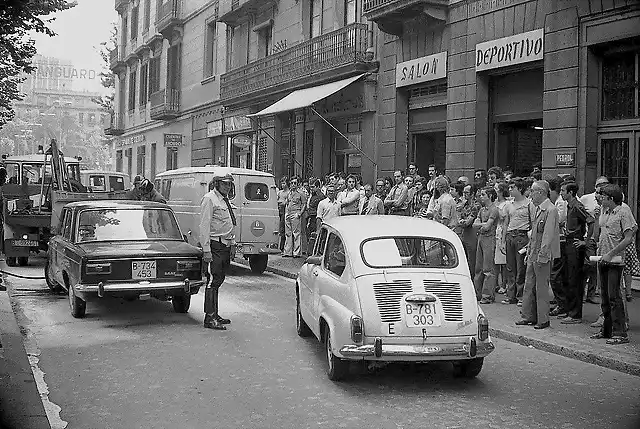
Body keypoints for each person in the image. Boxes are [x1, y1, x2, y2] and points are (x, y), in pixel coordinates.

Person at [590, 184, 634, 345]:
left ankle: (620, 332)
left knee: (615, 297)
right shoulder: (604, 211)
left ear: (611, 198)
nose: (600, 198)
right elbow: (599, 232)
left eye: (604, 196)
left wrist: (612, 253)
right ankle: (606, 330)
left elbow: (629, 236)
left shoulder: (623, 212)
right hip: (602, 257)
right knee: (605, 296)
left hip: (615, 260)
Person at [516, 180, 560, 330]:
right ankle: (528, 316)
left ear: (540, 192)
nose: (530, 195)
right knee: (529, 285)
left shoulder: (550, 210)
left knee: (541, 287)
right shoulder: (537, 208)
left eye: (532, 192)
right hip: (533, 252)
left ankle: (543, 319)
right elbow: (535, 234)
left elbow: (547, 236)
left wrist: (542, 255)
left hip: (543, 255)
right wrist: (529, 251)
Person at [199, 172, 237, 330]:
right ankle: (209, 316)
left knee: (219, 279)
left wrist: (233, 243)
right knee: (212, 281)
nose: (227, 187)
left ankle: (215, 313)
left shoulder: (225, 200)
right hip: (215, 245)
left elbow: (229, 223)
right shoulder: (209, 199)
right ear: (217, 184)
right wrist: (206, 250)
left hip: (225, 245)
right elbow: (204, 226)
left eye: (229, 184)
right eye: (224, 184)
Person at [559, 181, 594, 324]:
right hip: (568, 242)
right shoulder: (570, 206)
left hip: (575, 243)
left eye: (563, 191)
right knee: (568, 278)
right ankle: (570, 310)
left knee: (574, 279)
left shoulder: (577, 206)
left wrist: (585, 241)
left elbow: (590, 221)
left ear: (571, 192)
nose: (561, 193)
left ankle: (575, 314)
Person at [502, 178, 534, 305]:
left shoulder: (529, 204)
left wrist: (530, 239)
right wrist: (503, 241)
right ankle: (511, 295)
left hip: (522, 235)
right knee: (510, 267)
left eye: (512, 188)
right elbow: (506, 223)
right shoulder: (509, 205)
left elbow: (532, 222)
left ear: (519, 189)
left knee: (521, 267)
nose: (510, 190)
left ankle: (521, 295)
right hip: (511, 235)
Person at [473, 186, 499, 304]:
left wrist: (481, 224)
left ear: (490, 196)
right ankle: (477, 293)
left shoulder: (494, 209)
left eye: (483, 194)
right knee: (478, 267)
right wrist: (482, 224)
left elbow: (488, 226)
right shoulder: (482, 209)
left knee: (488, 268)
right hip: (481, 237)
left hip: (489, 238)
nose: (481, 197)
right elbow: (475, 224)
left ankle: (487, 295)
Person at [283, 176, 307, 258]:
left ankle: (296, 252)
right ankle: (287, 251)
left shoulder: (300, 193)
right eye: (292, 183)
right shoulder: (289, 193)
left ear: (298, 184)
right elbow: (287, 203)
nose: (293, 185)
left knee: (296, 233)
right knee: (288, 233)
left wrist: (300, 213)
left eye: (295, 183)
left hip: (295, 213)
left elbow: (304, 204)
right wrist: (286, 213)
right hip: (288, 213)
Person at [493, 181, 509, 294]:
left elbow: (504, 218)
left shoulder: (507, 204)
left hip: (501, 230)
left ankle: (504, 284)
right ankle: (495, 284)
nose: (494, 190)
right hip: (493, 231)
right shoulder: (493, 202)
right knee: (494, 261)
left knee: (503, 261)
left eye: (496, 188)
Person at [277, 177, 290, 252]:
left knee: (283, 230)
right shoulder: (280, 192)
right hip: (279, 211)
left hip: (285, 212)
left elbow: (287, 202)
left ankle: (282, 247)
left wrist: (283, 203)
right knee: (279, 229)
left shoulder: (288, 193)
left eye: (284, 183)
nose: (282, 185)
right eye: (282, 183)